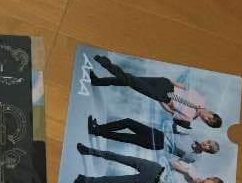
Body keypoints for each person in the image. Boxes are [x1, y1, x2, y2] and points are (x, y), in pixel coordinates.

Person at [89, 54, 222, 128]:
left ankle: (107, 64)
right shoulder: (201, 99)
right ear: (211, 113)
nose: (205, 118)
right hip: (165, 83)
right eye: (209, 118)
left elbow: (170, 111)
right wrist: (169, 81)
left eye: (207, 122)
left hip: (162, 96)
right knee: (127, 81)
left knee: (130, 80)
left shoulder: (190, 118)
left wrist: (160, 100)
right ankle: (98, 81)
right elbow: (184, 88)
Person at [74, 144, 225, 183]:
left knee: (116, 180)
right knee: (120, 157)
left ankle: (84, 180)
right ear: (212, 178)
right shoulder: (193, 169)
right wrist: (188, 173)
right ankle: (89, 151)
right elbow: (172, 163)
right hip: (154, 168)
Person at [86, 116, 219, 162]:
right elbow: (175, 131)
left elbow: (177, 161)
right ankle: (99, 127)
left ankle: (97, 131)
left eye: (209, 147)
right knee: (128, 122)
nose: (206, 144)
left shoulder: (194, 157)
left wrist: (195, 150)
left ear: (208, 151)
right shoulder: (192, 137)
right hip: (159, 134)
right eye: (208, 142)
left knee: (126, 137)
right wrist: (176, 122)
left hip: (157, 143)